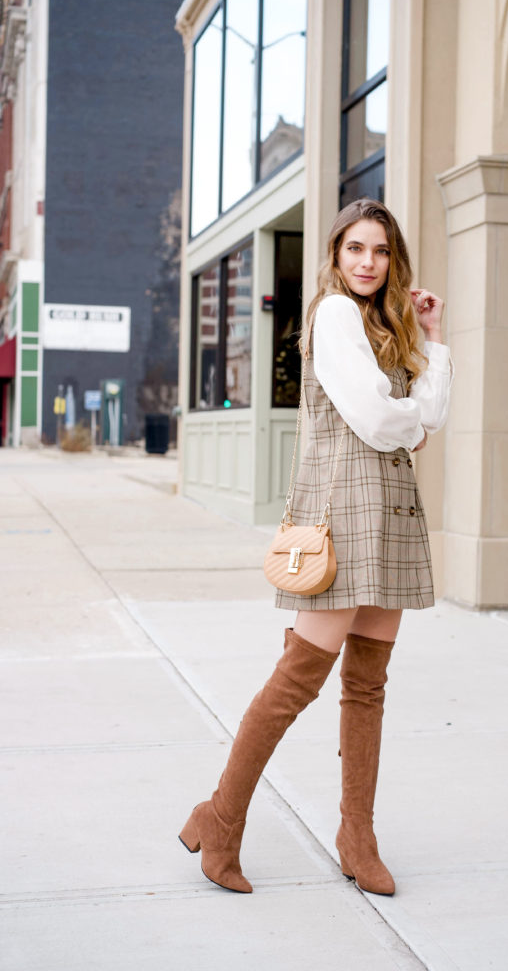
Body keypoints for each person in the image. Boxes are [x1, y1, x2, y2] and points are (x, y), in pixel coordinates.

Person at [179, 198, 452, 895]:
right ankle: (220, 818)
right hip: (342, 515)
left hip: (388, 514)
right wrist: (410, 422)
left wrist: (430, 335)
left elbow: (432, 414)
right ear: (334, 255)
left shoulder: (385, 325)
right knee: (298, 678)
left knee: (367, 686)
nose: (367, 262)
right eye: (355, 249)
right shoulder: (333, 315)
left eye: (381, 252)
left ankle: (356, 837)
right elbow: (378, 416)